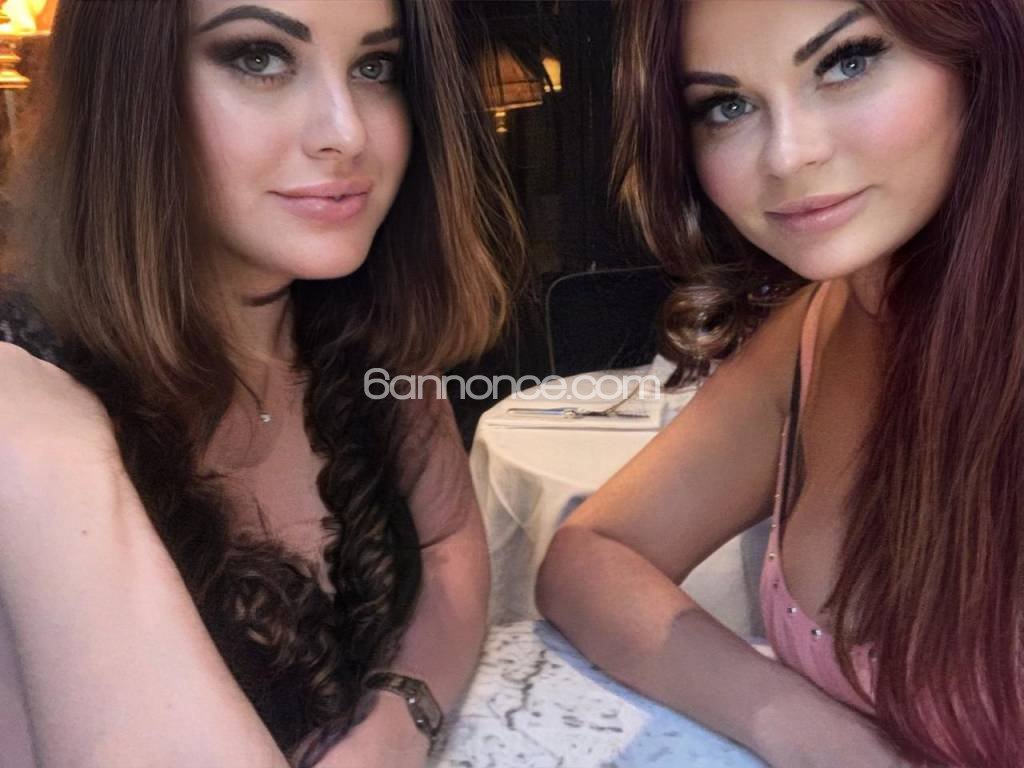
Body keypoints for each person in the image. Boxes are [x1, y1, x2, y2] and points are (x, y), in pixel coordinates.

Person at [0, 1, 523, 767]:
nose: (347, 132)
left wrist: (396, 720)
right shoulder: (25, 404)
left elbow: (448, 546)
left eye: (375, 66)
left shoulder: (368, 322)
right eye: (258, 57)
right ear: (123, 85)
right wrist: (62, 472)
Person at [537, 1, 1023, 766]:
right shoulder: (821, 326)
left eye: (848, 62)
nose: (789, 155)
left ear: (981, 55)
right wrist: (813, 734)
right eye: (727, 106)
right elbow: (589, 555)